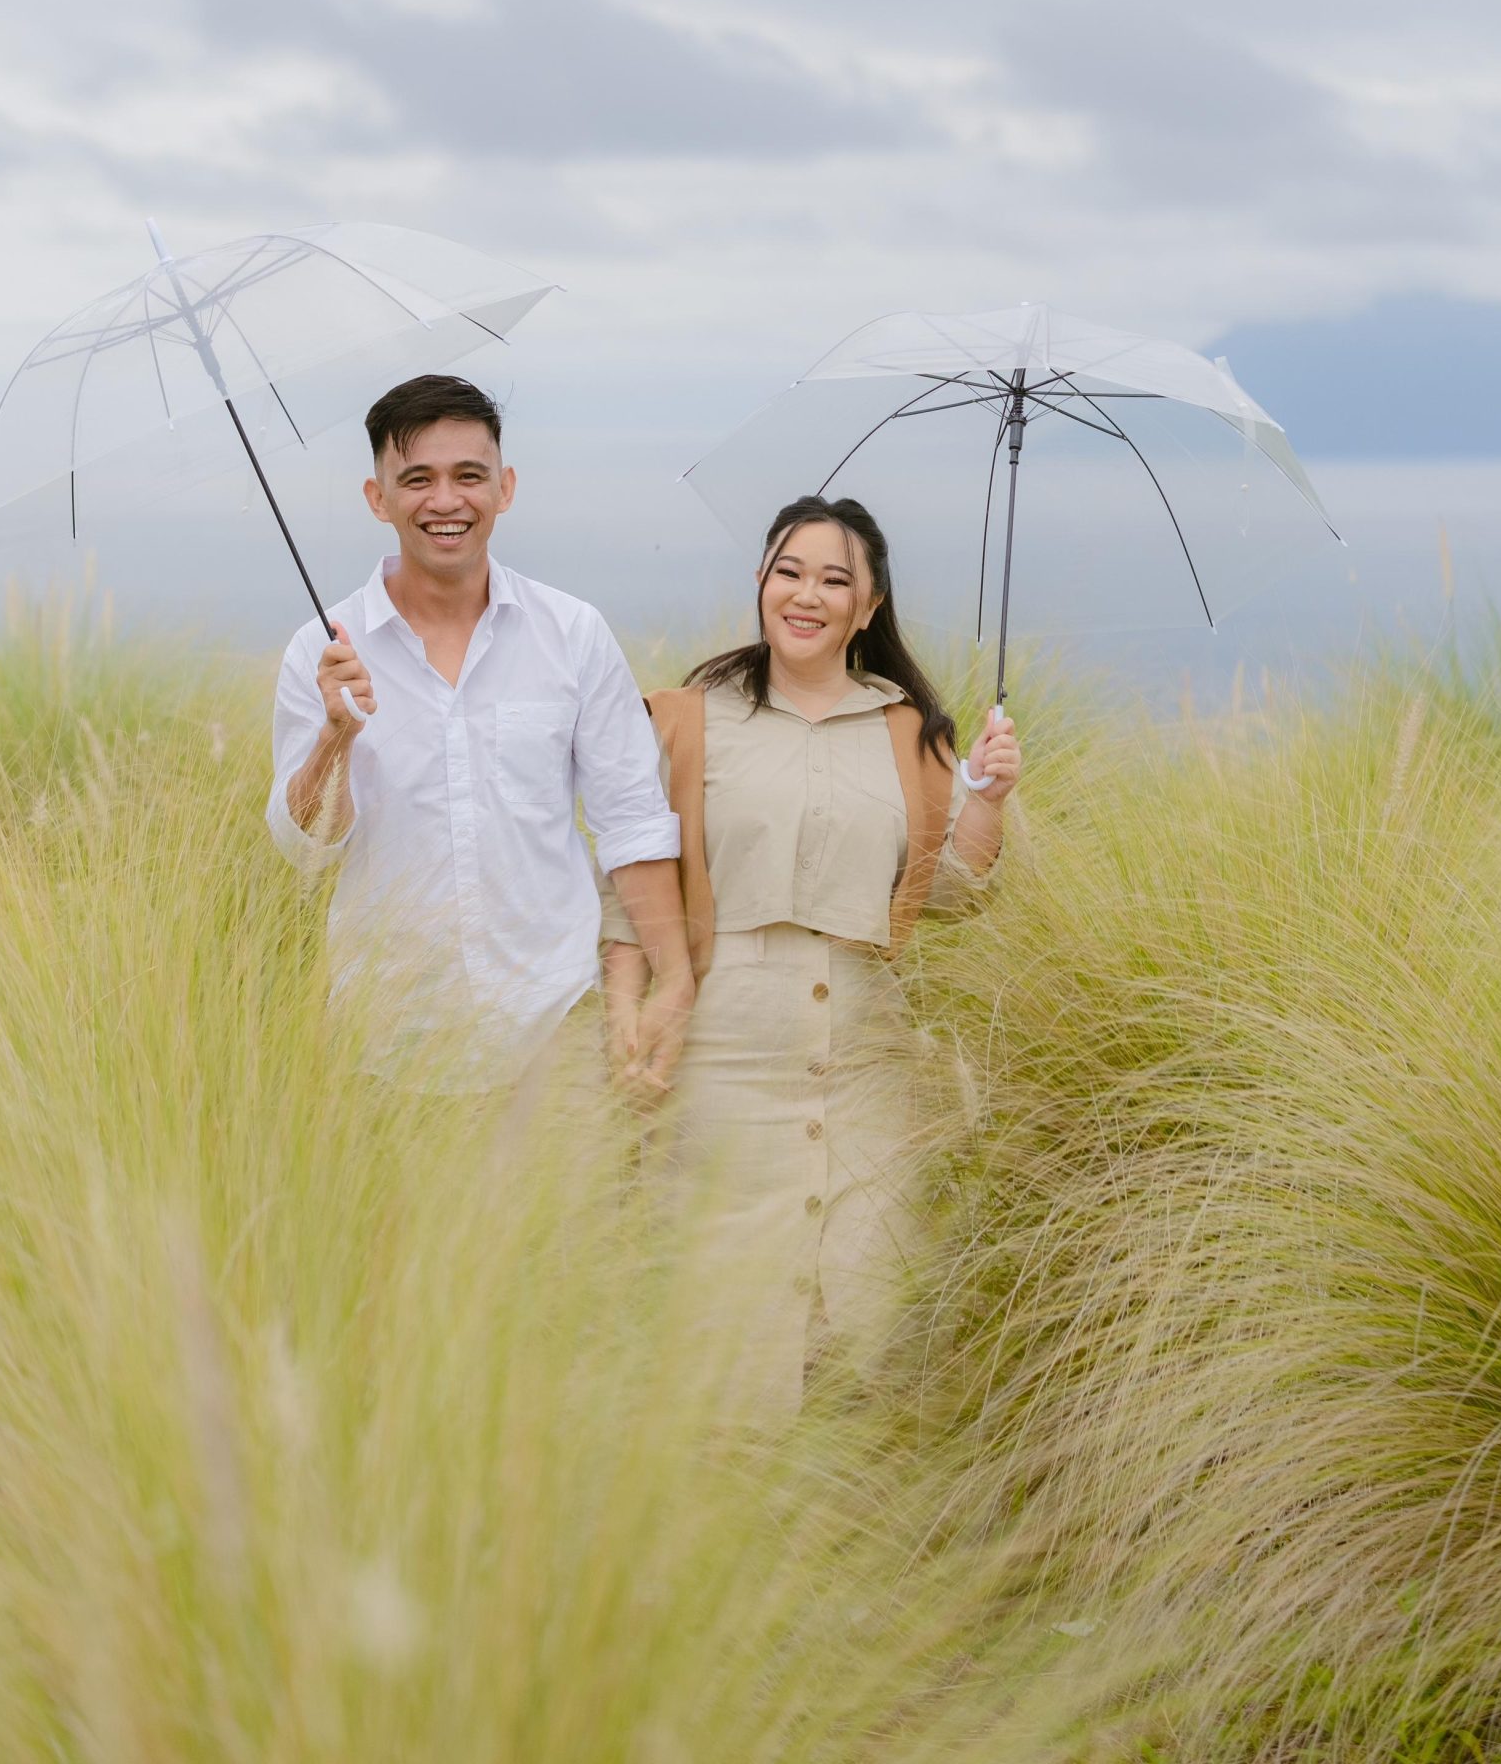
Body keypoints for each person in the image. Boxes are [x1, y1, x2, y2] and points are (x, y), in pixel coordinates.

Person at [602, 493, 1021, 1421]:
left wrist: (988, 798)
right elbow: (630, 891)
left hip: (867, 1059)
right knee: (716, 1320)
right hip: (721, 1056)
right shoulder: (685, 719)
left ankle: (844, 1499)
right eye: (789, 572)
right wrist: (626, 1012)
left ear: (868, 608)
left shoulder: (911, 734)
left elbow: (957, 895)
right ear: (760, 581)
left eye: (835, 580)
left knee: (863, 1314)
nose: (807, 595)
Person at [268, 373, 694, 1088]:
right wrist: (335, 737)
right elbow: (306, 849)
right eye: (417, 479)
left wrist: (673, 978)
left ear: (505, 487)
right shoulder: (321, 651)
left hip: (556, 1028)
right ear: (378, 498)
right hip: (386, 1043)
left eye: (469, 476)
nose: (446, 501)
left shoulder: (573, 632)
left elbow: (632, 821)